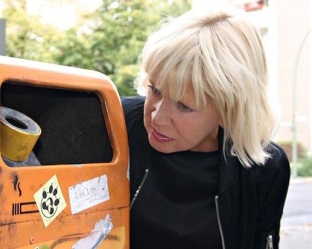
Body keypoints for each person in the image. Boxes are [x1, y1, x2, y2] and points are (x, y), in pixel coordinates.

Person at [121, 7, 290, 249]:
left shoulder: (264, 170)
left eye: (183, 106)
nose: (157, 117)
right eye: (155, 89)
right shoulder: (113, 122)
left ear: (228, 111)